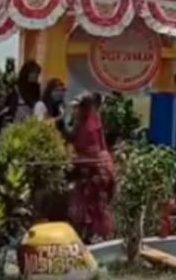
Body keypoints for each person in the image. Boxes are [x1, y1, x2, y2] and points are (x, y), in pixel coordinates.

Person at [68, 93, 114, 244]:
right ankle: (88, 233)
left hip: (93, 170)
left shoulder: (90, 125)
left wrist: (79, 160)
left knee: (94, 205)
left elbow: (94, 149)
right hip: (86, 170)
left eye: (78, 107)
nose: (75, 110)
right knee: (86, 205)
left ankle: (96, 234)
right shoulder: (82, 122)